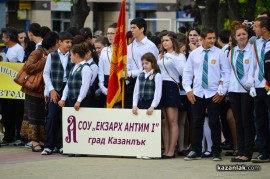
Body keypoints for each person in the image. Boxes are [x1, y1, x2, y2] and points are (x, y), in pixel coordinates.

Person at [183, 28, 230, 161]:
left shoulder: (220, 53)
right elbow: (187, 73)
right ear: (202, 39)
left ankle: (216, 151)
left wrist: (221, 91)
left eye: (214, 38)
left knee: (214, 122)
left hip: (214, 93)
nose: (212, 40)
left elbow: (226, 73)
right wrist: (188, 90)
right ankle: (195, 150)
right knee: (197, 121)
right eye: (209, 38)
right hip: (197, 92)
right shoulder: (194, 54)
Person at [20, 32, 59, 152]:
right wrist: (43, 60)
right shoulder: (38, 52)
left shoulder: (54, 54)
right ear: (53, 43)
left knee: (42, 115)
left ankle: (40, 139)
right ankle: (34, 142)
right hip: (33, 89)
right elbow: (28, 67)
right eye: (58, 42)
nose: (59, 44)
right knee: (34, 116)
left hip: (43, 90)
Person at [41, 31, 73, 155]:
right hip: (55, 88)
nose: (69, 44)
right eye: (67, 42)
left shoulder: (73, 55)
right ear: (59, 42)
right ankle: (49, 145)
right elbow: (46, 74)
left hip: (68, 88)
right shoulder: (52, 56)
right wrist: (51, 90)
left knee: (64, 117)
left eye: (71, 42)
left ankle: (61, 144)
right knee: (52, 116)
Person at [228, 23, 256, 162]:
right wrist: (226, 88)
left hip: (246, 90)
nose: (241, 37)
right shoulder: (232, 51)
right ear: (235, 37)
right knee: (238, 121)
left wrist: (251, 82)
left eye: (244, 34)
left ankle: (248, 152)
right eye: (238, 35)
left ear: (247, 35)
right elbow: (228, 71)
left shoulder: (253, 50)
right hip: (234, 90)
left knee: (247, 121)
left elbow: (254, 67)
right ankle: (240, 150)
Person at [158, 31, 186, 159]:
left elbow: (182, 71)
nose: (164, 43)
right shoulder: (161, 55)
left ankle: (171, 150)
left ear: (173, 42)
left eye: (167, 40)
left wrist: (172, 59)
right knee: (164, 122)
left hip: (171, 85)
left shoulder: (179, 55)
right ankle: (166, 149)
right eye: (163, 40)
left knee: (172, 120)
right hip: (161, 86)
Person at [126, 18, 159, 108]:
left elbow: (151, 67)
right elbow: (128, 63)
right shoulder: (130, 46)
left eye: (134, 27)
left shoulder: (151, 46)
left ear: (142, 29)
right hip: (131, 82)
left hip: (146, 81)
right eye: (131, 27)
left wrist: (131, 73)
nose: (131, 30)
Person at [0, 27, 25, 146]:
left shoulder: (19, 49)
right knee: (6, 112)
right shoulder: (5, 50)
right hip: (5, 87)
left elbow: (20, 66)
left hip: (15, 87)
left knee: (17, 112)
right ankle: (8, 136)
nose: (3, 39)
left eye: (4, 37)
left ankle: (18, 136)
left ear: (8, 38)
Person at [251, 16, 270, 163]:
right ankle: (264, 152)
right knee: (260, 120)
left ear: (264, 28)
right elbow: (253, 64)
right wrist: (251, 83)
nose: (253, 28)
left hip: (269, 86)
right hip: (258, 86)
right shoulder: (256, 43)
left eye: (256, 26)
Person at [58, 42, 92, 110]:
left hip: (82, 101)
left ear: (76, 55)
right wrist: (63, 98)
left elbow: (85, 86)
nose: (70, 57)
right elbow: (68, 84)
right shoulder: (74, 67)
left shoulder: (86, 68)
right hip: (72, 99)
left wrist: (79, 100)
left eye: (71, 55)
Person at [98, 23, 117, 107]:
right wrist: (101, 85)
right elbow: (100, 69)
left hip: (118, 80)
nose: (109, 36)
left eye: (112, 33)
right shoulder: (104, 50)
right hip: (106, 80)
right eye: (108, 33)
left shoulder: (124, 50)